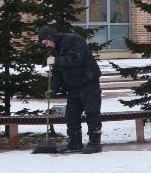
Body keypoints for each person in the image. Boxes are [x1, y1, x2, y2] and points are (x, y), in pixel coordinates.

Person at [37, 25, 103, 153]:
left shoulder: (74, 39)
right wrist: (53, 89)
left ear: (51, 37)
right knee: (71, 115)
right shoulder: (54, 51)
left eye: (46, 42)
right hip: (73, 86)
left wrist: (56, 60)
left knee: (92, 112)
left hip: (88, 82)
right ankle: (74, 143)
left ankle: (95, 143)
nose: (46, 45)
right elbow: (57, 73)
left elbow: (76, 59)